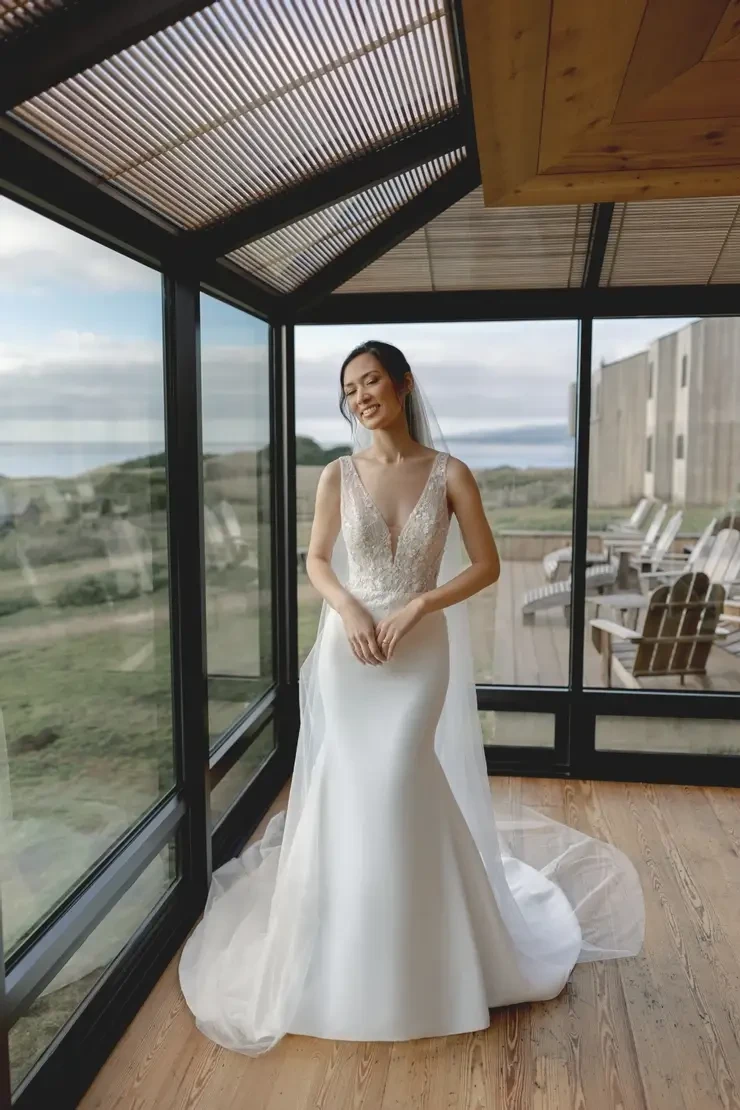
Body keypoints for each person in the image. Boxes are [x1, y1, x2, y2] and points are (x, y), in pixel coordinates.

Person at [178, 341, 645, 1055]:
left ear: (402, 384)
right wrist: (351, 611)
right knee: (350, 789)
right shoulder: (338, 474)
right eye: (349, 389)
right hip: (350, 651)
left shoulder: (451, 474)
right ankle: (339, 955)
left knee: (399, 779)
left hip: (419, 652)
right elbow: (316, 559)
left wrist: (420, 604)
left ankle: (428, 956)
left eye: (371, 382)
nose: (361, 396)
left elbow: (486, 566)